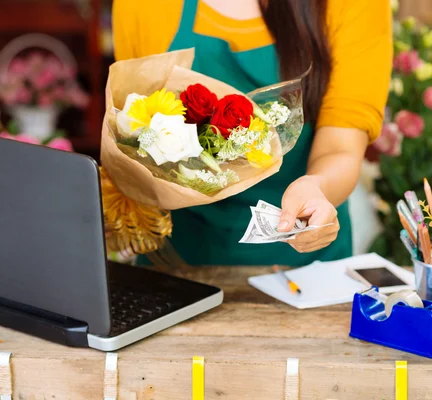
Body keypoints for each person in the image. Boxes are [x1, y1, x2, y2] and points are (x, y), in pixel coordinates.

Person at [112, 0, 392, 266]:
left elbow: (341, 148)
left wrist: (317, 188)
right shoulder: (143, 5)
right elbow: (134, 124)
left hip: (305, 271)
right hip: (176, 264)